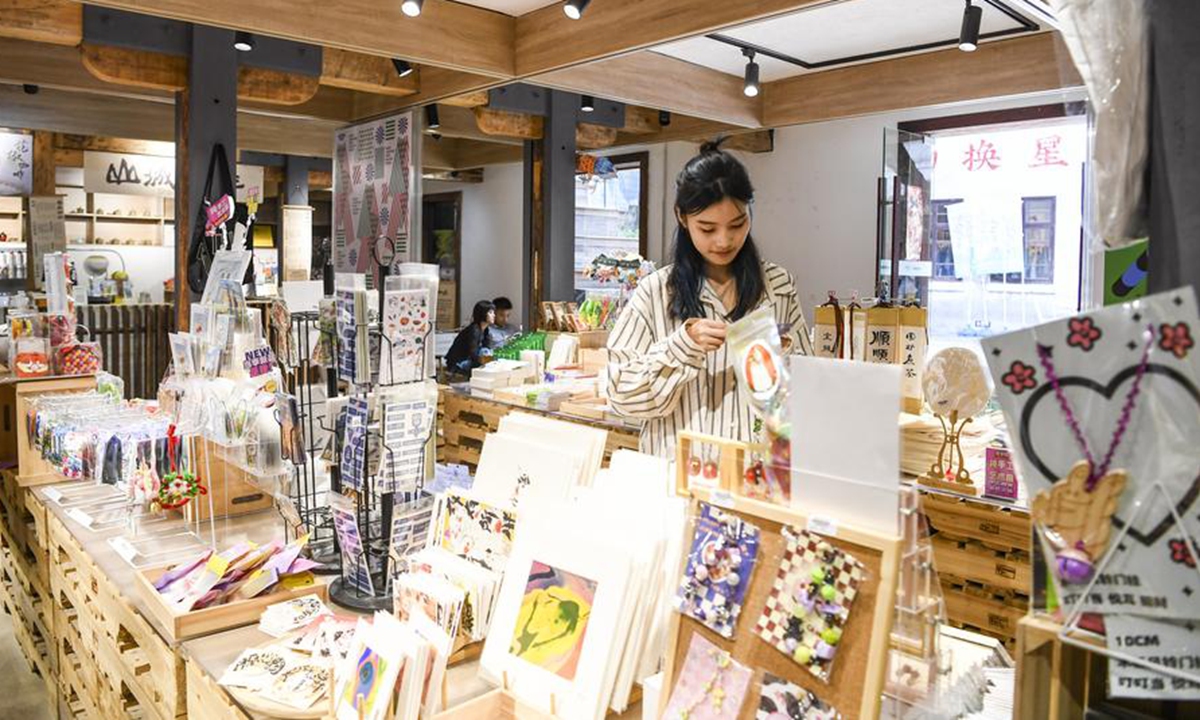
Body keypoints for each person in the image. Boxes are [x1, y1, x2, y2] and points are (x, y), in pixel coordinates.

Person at [606, 141, 813, 458]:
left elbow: (803, 390)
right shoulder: (655, 293)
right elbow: (621, 397)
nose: (724, 240)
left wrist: (781, 363)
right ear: (682, 217)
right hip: (679, 477)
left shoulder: (779, 286)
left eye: (737, 224)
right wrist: (683, 345)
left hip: (757, 475)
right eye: (707, 228)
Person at [444, 300, 496, 377]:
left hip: (470, 359)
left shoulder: (486, 330)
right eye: (490, 312)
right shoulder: (474, 330)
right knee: (484, 360)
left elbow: (488, 347)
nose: (494, 315)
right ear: (483, 314)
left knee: (489, 354)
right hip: (458, 363)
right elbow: (473, 353)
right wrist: (485, 360)